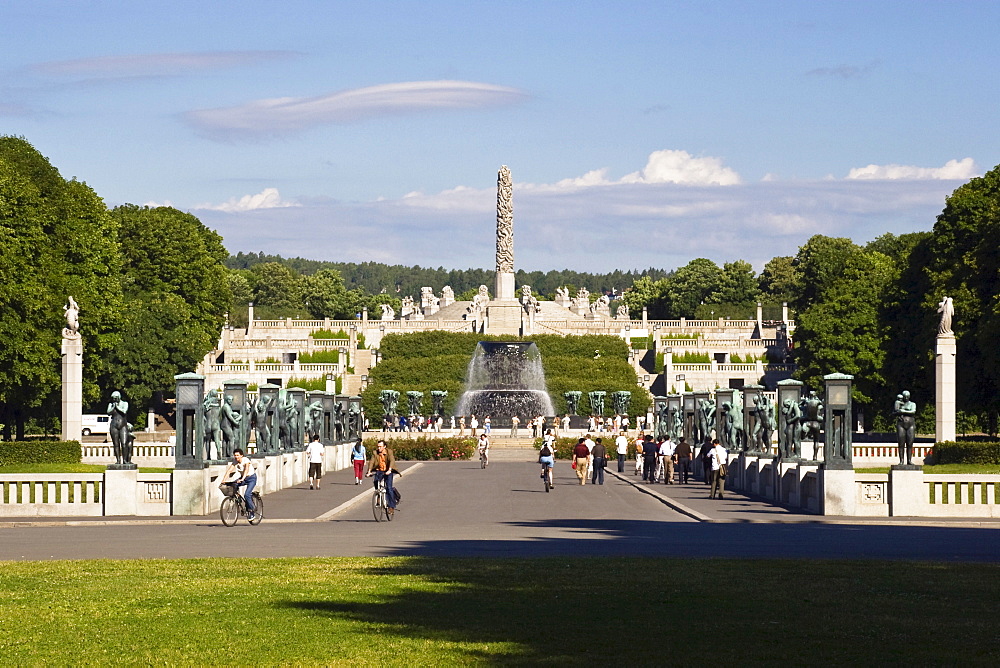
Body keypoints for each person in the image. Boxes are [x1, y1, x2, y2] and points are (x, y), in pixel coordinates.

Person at [221, 448, 258, 521]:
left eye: (238, 455)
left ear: (241, 455)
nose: (236, 457)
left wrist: (242, 479)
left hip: (251, 478)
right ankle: (238, 500)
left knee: (247, 494)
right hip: (242, 478)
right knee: (233, 485)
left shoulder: (246, 460)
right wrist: (223, 480)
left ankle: (252, 511)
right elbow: (229, 470)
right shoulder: (235, 461)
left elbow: (246, 469)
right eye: (235, 455)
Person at [366, 440, 398, 516]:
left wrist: (390, 469)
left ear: (384, 446)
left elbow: (392, 460)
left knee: (389, 488)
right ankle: (378, 496)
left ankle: (391, 506)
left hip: (388, 471)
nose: (379, 448)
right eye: (378, 446)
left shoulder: (389, 452)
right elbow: (372, 462)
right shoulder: (375, 453)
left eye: (380, 446)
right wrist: (369, 471)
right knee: (376, 481)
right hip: (379, 471)